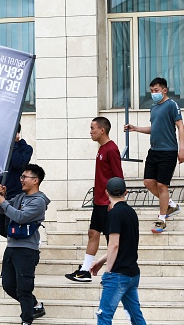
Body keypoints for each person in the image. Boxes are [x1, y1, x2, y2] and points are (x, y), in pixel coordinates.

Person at [66, 117, 124, 282]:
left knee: (110, 238)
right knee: (93, 233)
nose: (90, 131)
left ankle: (114, 271)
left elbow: (118, 176)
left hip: (107, 202)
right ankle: (85, 270)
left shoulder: (111, 149)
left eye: (92, 128)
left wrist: (115, 202)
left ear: (102, 130)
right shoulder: (101, 148)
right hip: (99, 201)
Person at [124, 77, 183, 233]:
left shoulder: (172, 105)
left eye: (156, 90)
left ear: (164, 90)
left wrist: (182, 149)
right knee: (149, 182)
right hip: (154, 151)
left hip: (168, 151)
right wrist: (135, 128)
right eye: (151, 91)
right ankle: (171, 205)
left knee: (162, 185)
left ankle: (162, 219)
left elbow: (180, 127)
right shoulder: (153, 107)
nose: (153, 93)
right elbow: (154, 128)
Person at [0, 164, 50, 325]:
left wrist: (4, 203)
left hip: (27, 249)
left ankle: (26, 320)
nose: (22, 180)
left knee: (24, 288)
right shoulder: (19, 197)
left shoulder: (39, 201)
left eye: (25, 177)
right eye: (21, 177)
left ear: (35, 180)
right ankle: (34, 305)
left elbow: (20, 217)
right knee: (8, 285)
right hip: (11, 247)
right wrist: (1, 198)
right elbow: (4, 211)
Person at [91, 177, 147, 325]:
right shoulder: (131, 212)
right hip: (132, 274)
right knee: (136, 317)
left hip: (118, 275)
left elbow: (114, 245)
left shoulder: (114, 213)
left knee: (104, 316)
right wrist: (100, 262)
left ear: (106, 192)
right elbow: (121, 245)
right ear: (126, 192)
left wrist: (108, 271)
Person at [0, 123, 33, 238]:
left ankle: (15, 250)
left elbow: (18, 163)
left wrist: (15, 144)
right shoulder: (3, 149)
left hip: (16, 195)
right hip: (1, 194)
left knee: (11, 228)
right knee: (2, 230)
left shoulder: (26, 149)